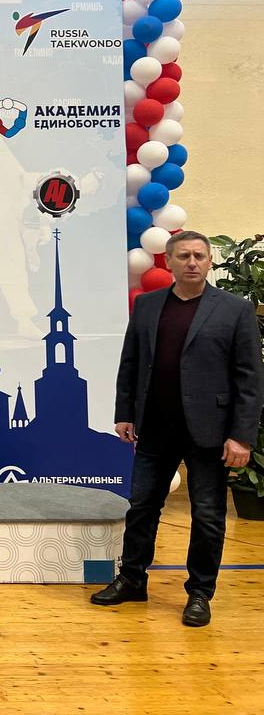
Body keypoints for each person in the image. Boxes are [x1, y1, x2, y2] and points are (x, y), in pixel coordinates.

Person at [92, 230, 263, 627]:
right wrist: (124, 412)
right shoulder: (148, 305)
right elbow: (131, 363)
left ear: (209, 261)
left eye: (199, 256)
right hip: (155, 427)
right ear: (168, 262)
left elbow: (250, 379)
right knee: (142, 508)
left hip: (210, 432)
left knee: (207, 515)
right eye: (183, 255)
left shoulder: (235, 310)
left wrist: (241, 436)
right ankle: (132, 579)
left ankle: (200, 593)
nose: (192, 262)